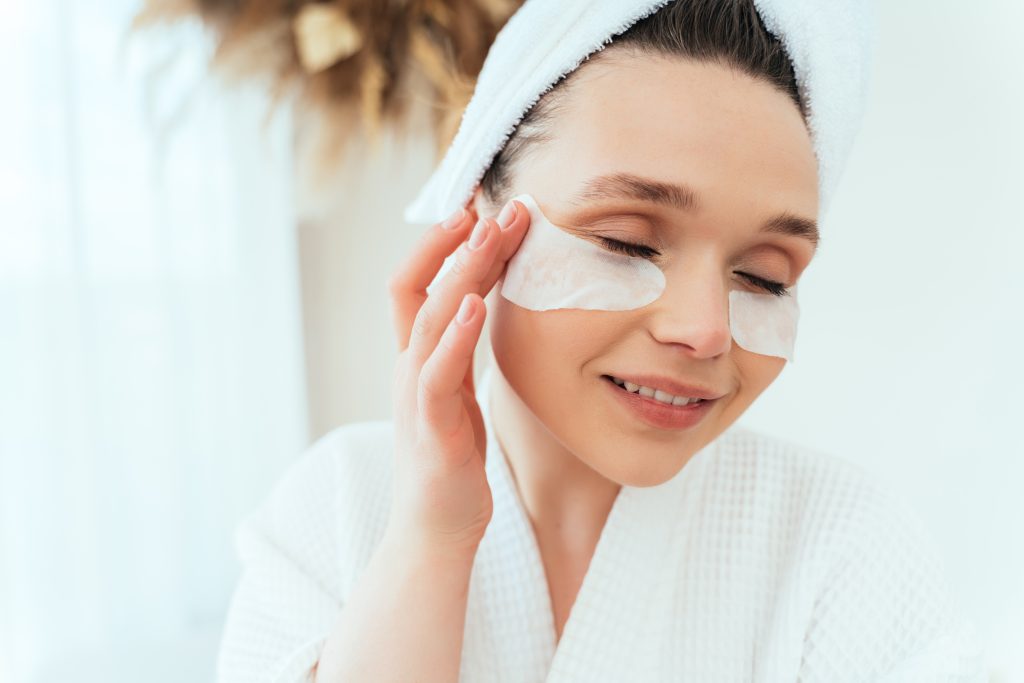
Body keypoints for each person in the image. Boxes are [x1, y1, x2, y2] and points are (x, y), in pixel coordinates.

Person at [217, 0, 986, 680]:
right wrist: (430, 538)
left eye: (763, 275)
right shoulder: (339, 507)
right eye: (626, 242)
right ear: (481, 228)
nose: (704, 329)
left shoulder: (843, 543)